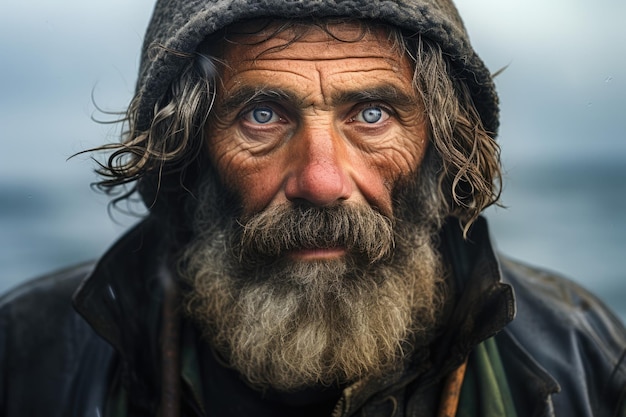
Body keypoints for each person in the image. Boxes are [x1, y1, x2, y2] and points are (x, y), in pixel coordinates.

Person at [1, 0, 625, 415]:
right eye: (262, 116)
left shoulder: (583, 356)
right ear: (186, 152)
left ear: (441, 142)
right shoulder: (28, 355)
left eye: (372, 115)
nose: (322, 180)